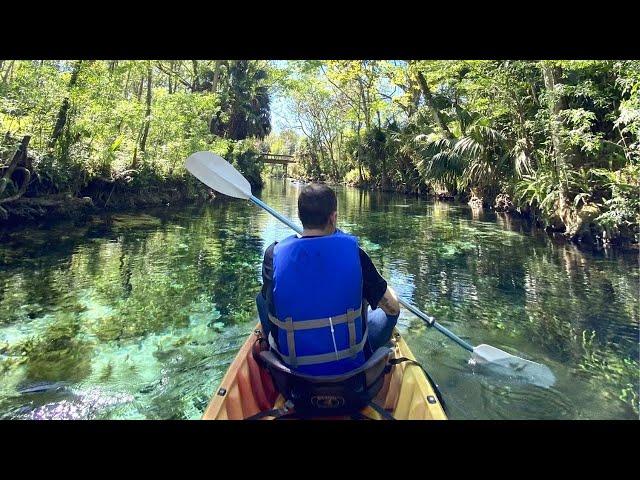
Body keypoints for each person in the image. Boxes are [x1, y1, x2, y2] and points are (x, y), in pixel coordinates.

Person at [255, 183, 401, 377]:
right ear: (333, 217)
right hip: (351, 372)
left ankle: (271, 348)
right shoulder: (355, 254)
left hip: (293, 374)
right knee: (389, 309)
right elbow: (392, 308)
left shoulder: (273, 255)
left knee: (261, 299)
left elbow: (272, 304)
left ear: (301, 216)